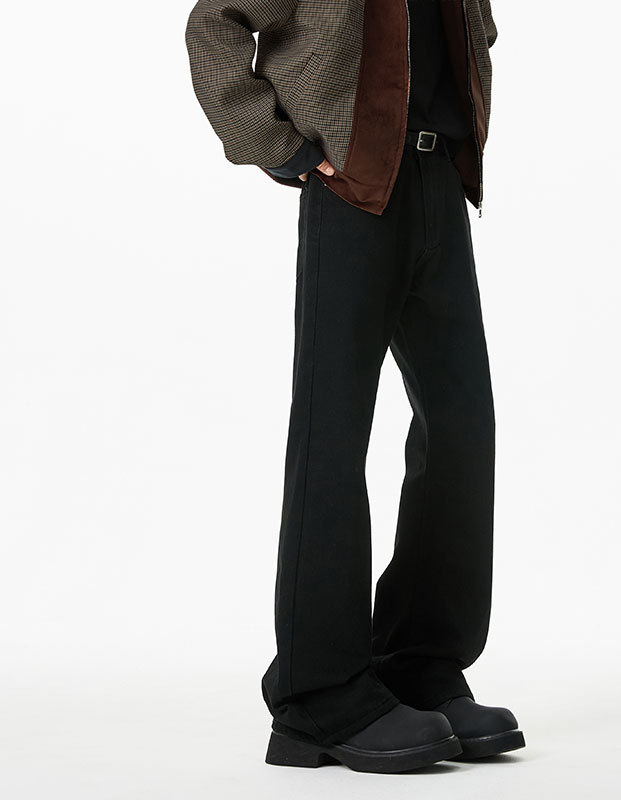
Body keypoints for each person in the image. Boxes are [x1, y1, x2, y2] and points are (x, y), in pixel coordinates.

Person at [185, 0, 524, 773]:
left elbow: (476, 27)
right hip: (353, 190)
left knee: (462, 426)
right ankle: (318, 696)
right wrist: (282, 148)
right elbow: (215, 25)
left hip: (438, 180)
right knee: (332, 433)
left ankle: (420, 664)